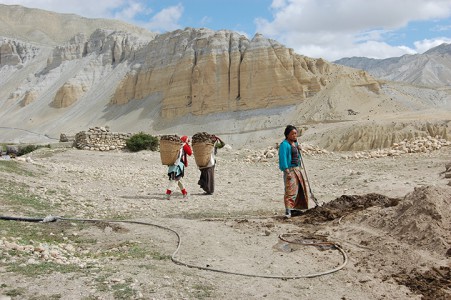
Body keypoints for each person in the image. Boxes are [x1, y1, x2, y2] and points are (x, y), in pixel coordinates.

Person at [278, 125, 309, 217]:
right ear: (287, 135)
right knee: (290, 190)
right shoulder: (284, 145)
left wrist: (299, 149)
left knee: (299, 189)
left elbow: (297, 157)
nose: (295, 135)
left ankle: (295, 208)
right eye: (293, 134)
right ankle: (288, 210)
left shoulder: (295, 144)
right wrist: (286, 171)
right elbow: (283, 158)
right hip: (290, 170)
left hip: (297, 169)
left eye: (296, 133)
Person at [165, 135, 192, 200]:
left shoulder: (176, 145)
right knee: (174, 180)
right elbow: (190, 153)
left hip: (172, 165)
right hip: (178, 165)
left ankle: (184, 193)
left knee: (179, 179)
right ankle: (168, 193)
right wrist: (188, 145)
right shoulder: (184, 145)